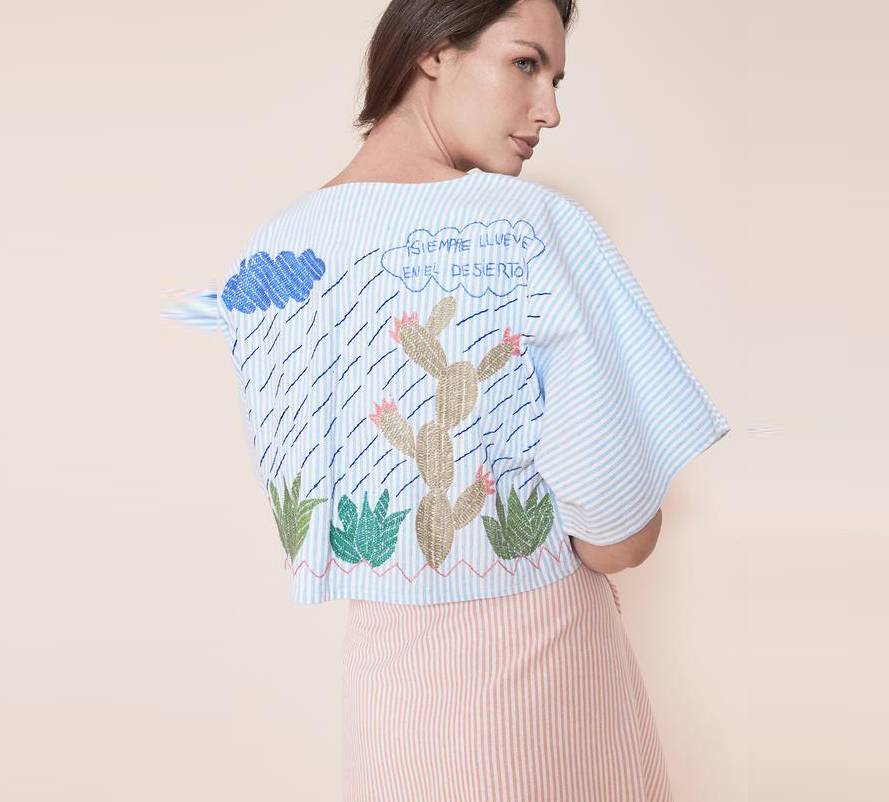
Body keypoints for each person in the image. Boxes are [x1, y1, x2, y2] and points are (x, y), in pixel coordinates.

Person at [163, 1, 730, 799]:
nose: (549, 110)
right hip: (543, 690)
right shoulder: (531, 225)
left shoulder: (269, 255)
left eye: (556, 79)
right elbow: (617, 538)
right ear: (434, 50)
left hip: (389, 702)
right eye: (525, 64)